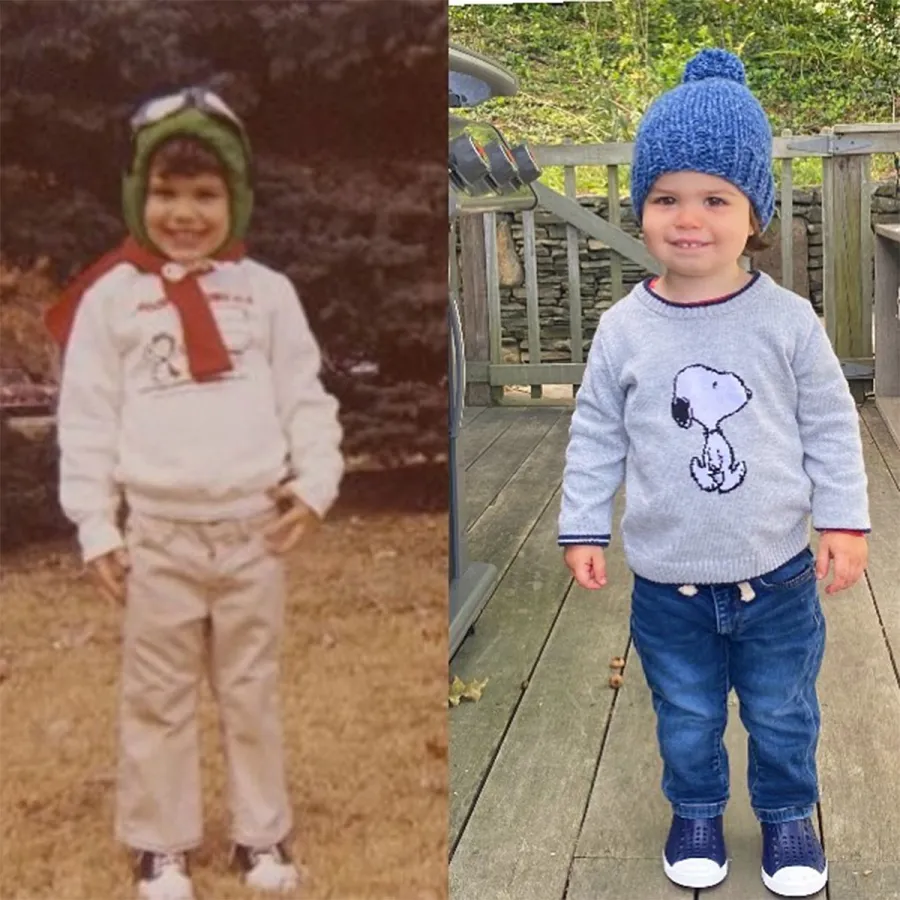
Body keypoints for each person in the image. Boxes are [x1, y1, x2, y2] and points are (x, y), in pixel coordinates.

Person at [558, 49, 869, 898]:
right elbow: (594, 430)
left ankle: (787, 815)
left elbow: (831, 425)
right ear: (641, 209)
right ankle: (695, 808)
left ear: (754, 212)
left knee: (781, 712)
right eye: (665, 197)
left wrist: (844, 520)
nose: (687, 218)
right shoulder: (626, 327)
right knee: (687, 714)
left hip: (779, 574)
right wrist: (583, 524)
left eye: (714, 198)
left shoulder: (788, 321)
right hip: (668, 584)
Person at [46, 87, 344, 900]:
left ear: (236, 197)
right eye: (166, 192)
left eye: (205, 194)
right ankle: (161, 845)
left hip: (251, 531)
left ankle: (261, 836)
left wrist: (315, 485)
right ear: (138, 195)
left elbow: (304, 398)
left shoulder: (268, 294)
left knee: (249, 689)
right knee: (159, 697)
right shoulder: (113, 300)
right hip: (160, 537)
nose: (185, 211)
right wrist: (96, 527)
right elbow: (88, 417)